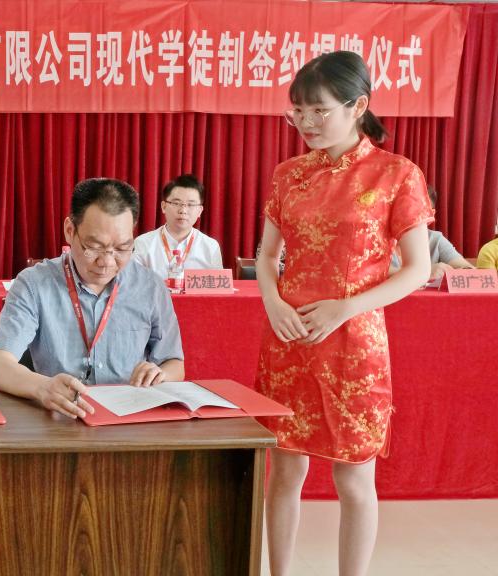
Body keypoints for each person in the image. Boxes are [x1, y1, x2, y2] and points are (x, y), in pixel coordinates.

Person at [256, 51, 432, 576]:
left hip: (354, 343)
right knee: (284, 470)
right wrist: (273, 302)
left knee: (354, 478)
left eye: (319, 110)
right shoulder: (288, 175)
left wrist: (345, 308)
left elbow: (418, 269)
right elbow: (266, 256)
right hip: (289, 337)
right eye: (298, 111)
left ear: (358, 106)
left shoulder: (396, 174)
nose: (306, 122)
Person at [0, 178, 185, 419]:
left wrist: (161, 375)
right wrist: (42, 387)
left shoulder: (150, 287)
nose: (107, 262)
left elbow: (174, 363)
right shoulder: (33, 284)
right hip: (60, 419)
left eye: (122, 248)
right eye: (94, 247)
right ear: (70, 231)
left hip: (128, 420)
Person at [133, 174, 223, 279]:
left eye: (190, 205)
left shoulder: (210, 246)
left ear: (199, 211)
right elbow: (132, 283)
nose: (183, 211)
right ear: (164, 206)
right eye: (176, 203)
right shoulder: (143, 243)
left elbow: (218, 286)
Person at [388, 185, 474, 280]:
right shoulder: (378, 241)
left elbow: (467, 269)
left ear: (431, 214)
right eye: (407, 208)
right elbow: (377, 275)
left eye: (421, 211)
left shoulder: (435, 239)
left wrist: (463, 270)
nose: (412, 216)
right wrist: (424, 273)